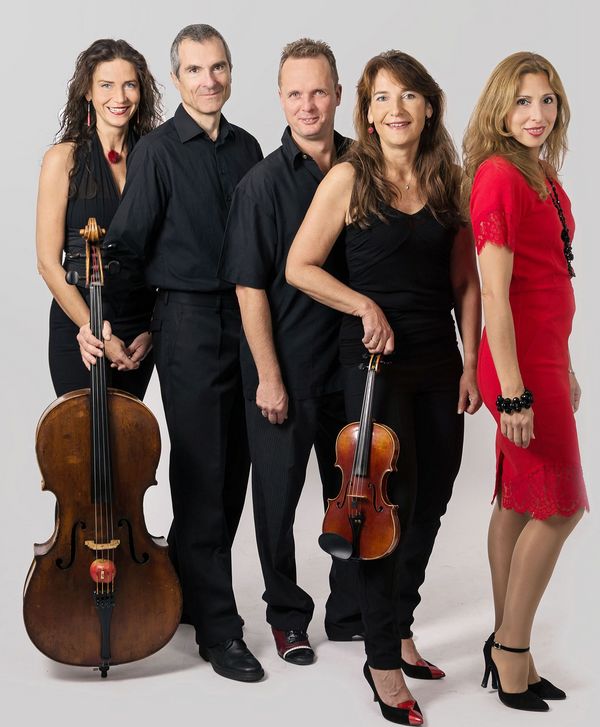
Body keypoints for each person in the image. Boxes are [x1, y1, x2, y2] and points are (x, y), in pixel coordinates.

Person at [287, 51, 480, 725]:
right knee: (381, 512)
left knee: (431, 501)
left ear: (429, 107)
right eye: (381, 98)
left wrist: (471, 363)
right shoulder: (349, 176)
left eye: (408, 96)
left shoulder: (448, 180)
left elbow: (466, 281)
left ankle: (399, 627)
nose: (395, 109)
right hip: (372, 367)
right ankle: (381, 661)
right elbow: (300, 265)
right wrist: (363, 305)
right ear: (366, 114)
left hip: (438, 362)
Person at [78, 24, 264, 682]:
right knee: (201, 471)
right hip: (187, 321)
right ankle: (220, 628)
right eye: (194, 70)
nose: (208, 80)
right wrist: (135, 324)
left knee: (235, 466)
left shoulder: (248, 148)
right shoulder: (157, 151)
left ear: (230, 72)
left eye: (218, 68)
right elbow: (124, 247)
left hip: (248, 318)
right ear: (177, 78)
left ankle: (186, 585)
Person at [219, 38, 361, 665]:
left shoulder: (367, 167)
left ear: (338, 94)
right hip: (286, 367)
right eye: (296, 93)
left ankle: (349, 611)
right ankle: (286, 615)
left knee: (351, 496)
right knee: (275, 501)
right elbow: (249, 290)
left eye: (319, 91)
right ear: (280, 98)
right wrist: (268, 377)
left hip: (352, 366)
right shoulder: (260, 185)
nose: (308, 105)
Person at [462, 51, 588, 712]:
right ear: (499, 109)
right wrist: (513, 389)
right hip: (517, 364)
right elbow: (496, 294)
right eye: (521, 101)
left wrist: (564, 364)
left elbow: (550, 278)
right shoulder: (499, 176)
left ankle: (511, 645)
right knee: (561, 505)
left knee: (517, 499)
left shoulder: (540, 173)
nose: (536, 114)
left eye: (546, 100)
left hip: (543, 355)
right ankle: (511, 648)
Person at [36, 38, 162, 398]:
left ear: (141, 91)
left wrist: (153, 328)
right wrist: (91, 327)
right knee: (83, 430)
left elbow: (169, 252)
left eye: (130, 85)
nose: (119, 97)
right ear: (87, 92)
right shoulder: (63, 159)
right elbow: (47, 263)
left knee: (127, 431)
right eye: (106, 85)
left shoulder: (155, 158)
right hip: (81, 324)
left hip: (139, 328)